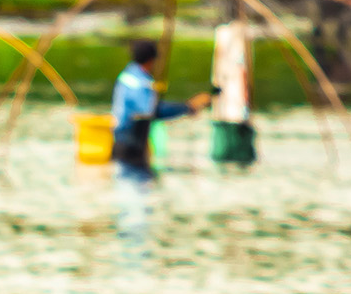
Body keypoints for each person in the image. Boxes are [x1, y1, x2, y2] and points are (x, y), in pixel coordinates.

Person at [110, 40, 208, 180]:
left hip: (123, 141)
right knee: (138, 188)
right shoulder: (139, 82)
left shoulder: (128, 75)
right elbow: (153, 111)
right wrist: (187, 107)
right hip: (130, 146)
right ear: (151, 61)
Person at [211, 14, 258, 167]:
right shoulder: (233, 39)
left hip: (229, 104)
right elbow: (241, 73)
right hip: (230, 103)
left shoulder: (226, 37)